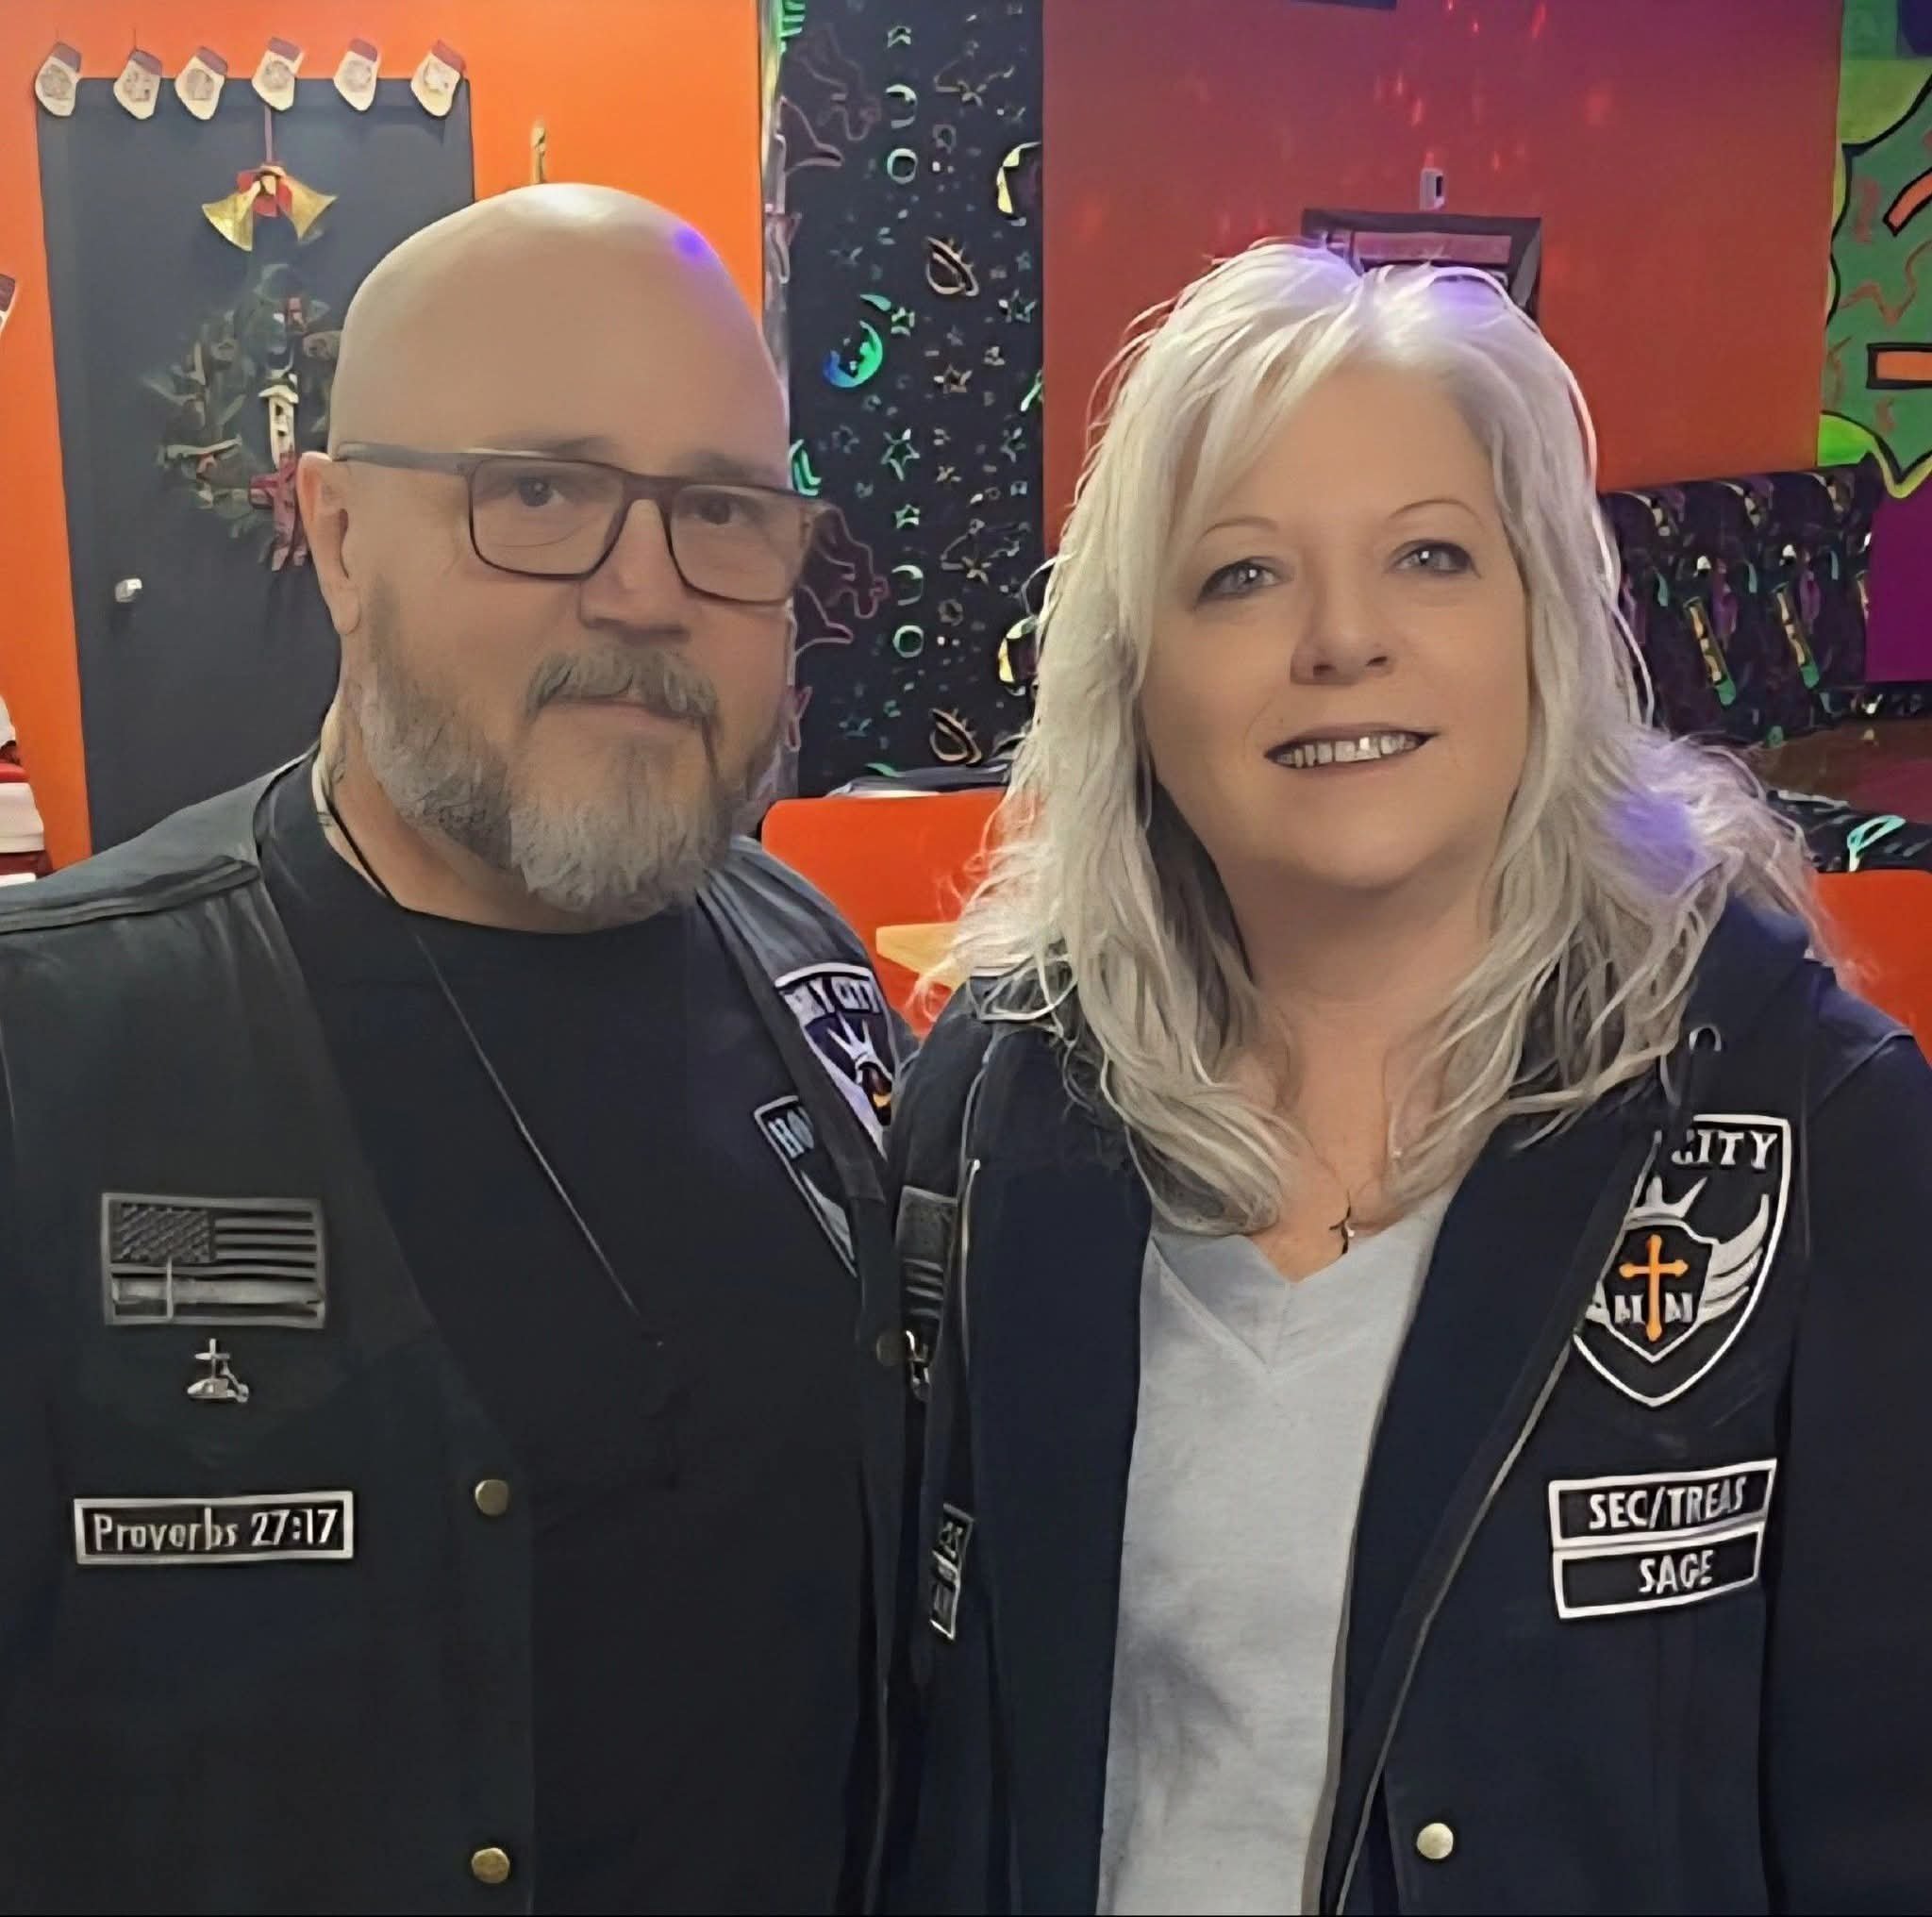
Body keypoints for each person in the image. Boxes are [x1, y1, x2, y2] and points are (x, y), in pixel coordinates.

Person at [887, 244, 1932, 1914]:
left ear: (1544, 627)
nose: (1343, 640)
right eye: (1241, 577)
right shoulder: (998, 1105)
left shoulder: (1819, 1122)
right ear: (1133, 675)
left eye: (1430, 556)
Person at [0, 187, 916, 1914]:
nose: (645, 592)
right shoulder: (50, 1055)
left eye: (721, 512)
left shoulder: (814, 975)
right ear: (340, 536)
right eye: (542, 494)